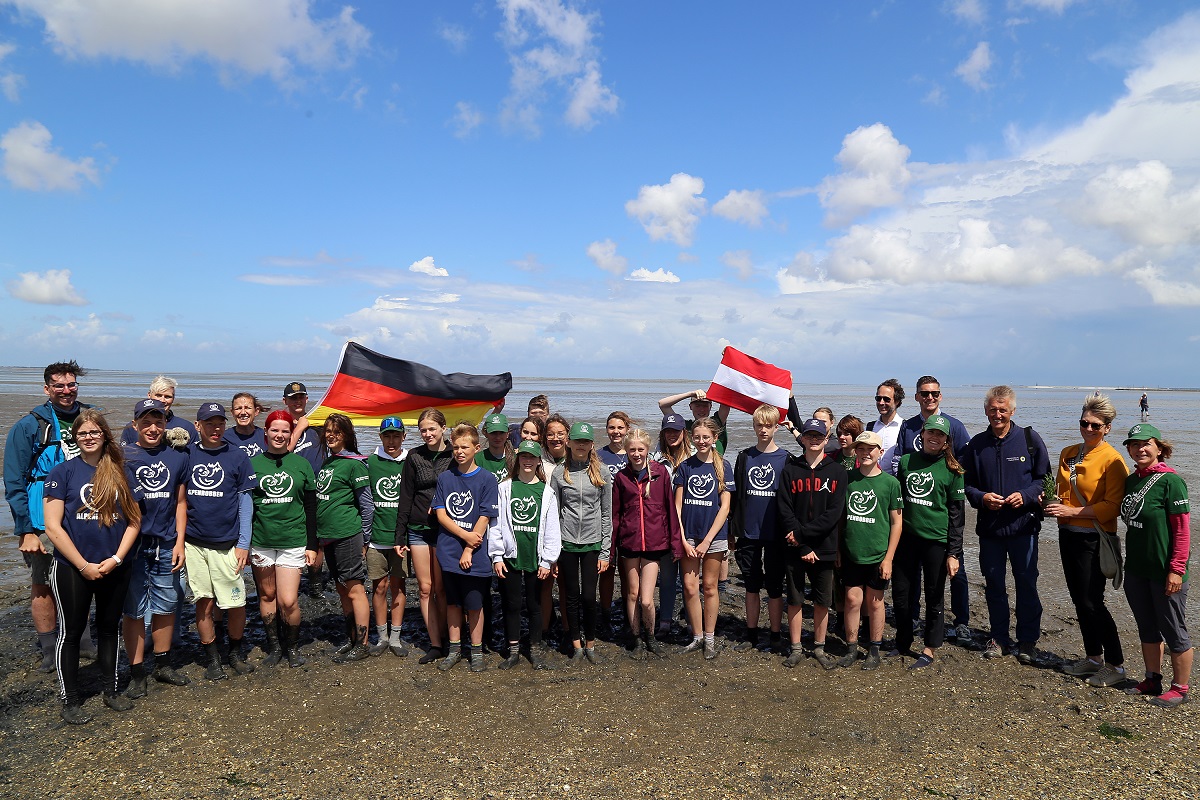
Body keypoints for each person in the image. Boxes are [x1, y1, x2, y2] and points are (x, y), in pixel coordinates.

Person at [43, 410, 141, 724]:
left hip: (115, 565)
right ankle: (70, 699)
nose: (88, 437)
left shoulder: (122, 472)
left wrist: (117, 559)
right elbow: (52, 527)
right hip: (72, 567)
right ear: (75, 437)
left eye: (94, 432)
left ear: (104, 435)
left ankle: (111, 691)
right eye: (83, 433)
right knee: (71, 633)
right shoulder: (62, 472)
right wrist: (83, 564)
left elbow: (134, 521)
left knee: (109, 628)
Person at [4, 360, 97, 671]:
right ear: (47, 389)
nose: (66, 390)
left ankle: (83, 641)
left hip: (84, 514)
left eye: (71, 384)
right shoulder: (29, 426)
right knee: (43, 583)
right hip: (42, 520)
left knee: (83, 577)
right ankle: (48, 647)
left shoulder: (90, 418)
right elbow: (14, 480)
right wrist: (25, 530)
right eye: (59, 385)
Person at [1044, 395, 1129, 687]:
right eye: (1084, 423)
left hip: (1094, 538)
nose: (1089, 429)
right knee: (1079, 600)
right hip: (1068, 534)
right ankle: (1093, 658)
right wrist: (1050, 502)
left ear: (1107, 428)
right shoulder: (1068, 453)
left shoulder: (1113, 460)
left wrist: (1071, 511)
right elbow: (1061, 492)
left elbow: (1113, 506)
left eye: (1096, 425)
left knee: (1093, 602)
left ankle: (1116, 664)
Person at [962, 386, 1050, 664]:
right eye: (993, 409)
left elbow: (1044, 480)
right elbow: (966, 484)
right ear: (985, 411)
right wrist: (982, 498)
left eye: (1003, 410)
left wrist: (1025, 496)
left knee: (1026, 584)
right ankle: (999, 637)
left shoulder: (1029, 439)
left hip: (1024, 528)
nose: (997, 414)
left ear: (1012, 411)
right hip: (991, 530)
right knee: (994, 586)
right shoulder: (976, 445)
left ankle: (1027, 641)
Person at [892, 376, 973, 643]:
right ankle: (911, 622)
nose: (930, 397)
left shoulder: (955, 426)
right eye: (925, 393)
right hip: (910, 528)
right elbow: (898, 471)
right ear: (917, 396)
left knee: (951, 577)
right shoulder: (908, 427)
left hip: (939, 528)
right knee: (908, 583)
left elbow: (965, 465)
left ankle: (961, 622)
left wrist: (954, 549)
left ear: (940, 396)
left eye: (934, 393)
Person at [121, 399, 191, 698]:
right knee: (134, 610)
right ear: (135, 425)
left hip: (166, 543)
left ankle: (163, 664)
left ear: (166, 425)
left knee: (166, 605)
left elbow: (180, 502)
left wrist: (180, 542)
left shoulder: (177, 457)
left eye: (158, 422)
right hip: (133, 545)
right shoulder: (123, 456)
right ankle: (137, 672)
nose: (152, 428)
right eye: (146, 422)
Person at [1119, 424, 1192, 707]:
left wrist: (1176, 569)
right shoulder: (1131, 481)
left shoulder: (1171, 482)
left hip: (1165, 571)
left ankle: (1180, 688)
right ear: (1129, 450)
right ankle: (1152, 679)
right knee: (1146, 626)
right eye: (1134, 444)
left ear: (1159, 448)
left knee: (1174, 629)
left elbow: (1183, 531)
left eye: (1146, 443)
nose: (1140, 449)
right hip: (1137, 568)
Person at [185, 402, 258, 680]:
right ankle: (213, 658)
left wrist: (244, 543)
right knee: (203, 602)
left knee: (235, 603)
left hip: (227, 543)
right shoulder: (187, 454)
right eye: (209, 423)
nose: (215, 428)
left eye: (219, 423)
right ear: (198, 425)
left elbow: (245, 503)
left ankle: (235, 653)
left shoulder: (237, 456)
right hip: (193, 543)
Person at [893, 416, 965, 670]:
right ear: (922, 434)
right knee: (901, 594)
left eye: (940, 434)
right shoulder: (906, 461)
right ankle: (902, 641)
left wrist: (953, 553)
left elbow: (957, 516)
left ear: (946, 440)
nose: (934, 437)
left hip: (936, 541)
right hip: (907, 539)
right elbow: (897, 501)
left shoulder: (954, 470)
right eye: (931, 432)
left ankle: (930, 648)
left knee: (934, 595)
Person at [249, 410, 318, 668]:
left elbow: (311, 507)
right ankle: (275, 647)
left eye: (285, 431)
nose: (279, 435)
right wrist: (242, 544)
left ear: (292, 434)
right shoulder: (253, 464)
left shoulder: (301, 464)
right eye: (275, 430)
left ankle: (292, 647)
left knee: (288, 600)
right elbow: (246, 508)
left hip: (294, 540)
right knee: (267, 595)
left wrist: (312, 545)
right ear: (266, 433)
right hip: (261, 541)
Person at [777, 418, 848, 669]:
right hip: (795, 546)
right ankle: (796, 647)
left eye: (819, 436)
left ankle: (819, 646)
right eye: (810, 435)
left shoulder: (837, 472)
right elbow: (784, 508)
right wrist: (802, 544)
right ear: (803, 439)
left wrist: (804, 537)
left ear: (826, 439)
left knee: (822, 601)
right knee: (795, 599)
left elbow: (834, 513)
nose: (814, 440)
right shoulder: (790, 469)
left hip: (824, 547)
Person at [432, 422, 499, 672]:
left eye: (465, 447)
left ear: (476, 448)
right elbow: (441, 514)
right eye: (456, 448)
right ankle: (454, 649)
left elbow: (485, 516)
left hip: (477, 554)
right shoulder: (445, 478)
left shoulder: (487, 479)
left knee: (474, 604)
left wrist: (470, 548)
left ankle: (477, 650)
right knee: (453, 603)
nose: (460, 452)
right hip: (449, 550)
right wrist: (464, 536)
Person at [487, 440, 561, 669]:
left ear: (539, 461)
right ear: (518, 459)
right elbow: (495, 524)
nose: (528, 461)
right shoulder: (504, 488)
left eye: (532, 457)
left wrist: (548, 560)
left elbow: (552, 529)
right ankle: (513, 651)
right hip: (510, 557)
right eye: (524, 456)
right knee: (512, 604)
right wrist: (497, 556)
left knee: (534, 605)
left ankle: (534, 649)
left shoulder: (547, 492)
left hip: (535, 557)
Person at [612, 428, 682, 659]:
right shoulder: (621, 477)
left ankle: (651, 637)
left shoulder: (660, 474)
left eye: (640, 449)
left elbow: (670, 510)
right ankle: (637, 639)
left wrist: (675, 544)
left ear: (647, 449)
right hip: (629, 543)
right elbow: (615, 516)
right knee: (632, 594)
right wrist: (611, 550)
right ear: (626, 450)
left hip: (654, 544)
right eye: (632, 449)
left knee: (646, 599)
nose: (636, 453)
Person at [836, 431, 903, 670]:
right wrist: (838, 549)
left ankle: (874, 648)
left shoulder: (891, 483)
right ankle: (851, 647)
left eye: (870, 449)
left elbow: (897, 523)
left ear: (880, 452)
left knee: (875, 602)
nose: (865, 453)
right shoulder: (847, 479)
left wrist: (889, 559)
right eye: (861, 449)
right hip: (852, 551)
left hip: (878, 554)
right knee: (852, 600)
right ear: (855, 451)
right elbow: (840, 518)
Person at [394, 408, 453, 664]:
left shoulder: (454, 454)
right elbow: (406, 495)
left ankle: (450, 638)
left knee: (441, 588)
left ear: (443, 428)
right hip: (417, 529)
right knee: (425, 588)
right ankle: (435, 643)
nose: (428, 434)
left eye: (432, 429)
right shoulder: (414, 456)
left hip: (444, 529)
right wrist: (399, 536)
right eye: (423, 430)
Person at [551, 421, 612, 665]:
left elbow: (606, 514)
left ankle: (591, 644)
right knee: (571, 596)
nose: (581, 445)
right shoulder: (559, 473)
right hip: (566, 543)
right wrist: (553, 552)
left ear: (591, 445)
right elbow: (553, 514)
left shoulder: (602, 472)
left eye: (585, 442)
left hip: (592, 543)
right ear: (569, 443)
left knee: (588, 596)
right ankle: (576, 645)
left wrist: (605, 552)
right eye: (577, 441)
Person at [729, 404, 789, 654]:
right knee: (751, 585)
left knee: (775, 587)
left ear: (776, 427)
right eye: (759, 425)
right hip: (748, 532)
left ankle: (775, 635)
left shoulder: (786, 458)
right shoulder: (745, 456)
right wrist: (732, 529)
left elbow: (790, 499)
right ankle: (751, 634)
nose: (763, 430)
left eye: (768, 425)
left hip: (776, 533)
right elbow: (735, 495)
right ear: (753, 426)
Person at [674, 417, 735, 660]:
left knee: (710, 587)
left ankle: (709, 637)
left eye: (706, 437)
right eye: (697, 437)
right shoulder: (685, 467)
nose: (701, 441)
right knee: (690, 587)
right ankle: (697, 636)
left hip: (714, 537)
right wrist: (682, 538)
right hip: (688, 535)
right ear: (691, 438)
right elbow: (677, 506)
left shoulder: (724, 466)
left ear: (714, 439)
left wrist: (708, 540)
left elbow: (725, 508)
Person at [317, 413, 374, 664]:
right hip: (328, 536)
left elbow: (367, 505)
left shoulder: (355, 464)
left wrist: (365, 539)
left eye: (337, 431)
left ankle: (363, 644)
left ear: (347, 435)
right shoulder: (328, 462)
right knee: (341, 588)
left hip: (348, 534)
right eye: (328, 431)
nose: (331, 435)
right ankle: (351, 638)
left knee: (354, 587)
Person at [367, 417, 410, 657]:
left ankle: (396, 637)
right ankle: (382, 636)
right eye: (387, 436)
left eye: (396, 436)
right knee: (379, 587)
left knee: (398, 586)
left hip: (400, 539)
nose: (391, 441)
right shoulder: (370, 462)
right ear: (380, 437)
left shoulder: (410, 461)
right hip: (376, 537)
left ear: (404, 436)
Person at [281, 381, 328, 598]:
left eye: (301, 397)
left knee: (316, 537)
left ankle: (315, 581)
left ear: (307, 399)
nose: (297, 401)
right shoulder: (281, 425)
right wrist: (299, 427)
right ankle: (292, 576)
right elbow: (283, 452)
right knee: (294, 534)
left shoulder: (318, 424)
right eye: (293, 398)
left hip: (317, 489)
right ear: (285, 401)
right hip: (291, 490)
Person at [652, 413, 693, 640]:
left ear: (683, 433)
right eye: (668, 431)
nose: (672, 435)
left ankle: (691, 621)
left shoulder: (695, 456)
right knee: (667, 577)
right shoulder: (655, 459)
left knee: (689, 579)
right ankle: (665, 620)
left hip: (690, 522)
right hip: (665, 525)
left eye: (676, 431)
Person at [596, 411, 632, 638]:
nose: (616, 432)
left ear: (627, 429)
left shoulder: (633, 453)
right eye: (612, 428)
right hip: (605, 520)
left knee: (628, 570)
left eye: (620, 428)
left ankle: (630, 616)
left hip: (629, 520)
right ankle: (606, 614)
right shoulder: (599, 456)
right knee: (606, 569)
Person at [119, 375, 197, 447]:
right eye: (158, 395)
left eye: (167, 397)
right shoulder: (132, 427)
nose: (162, 400)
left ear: (173, 399)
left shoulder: (187, 427)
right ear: (149, 395)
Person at [658, 388, 731, 456]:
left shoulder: (716, 423)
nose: (701, 410)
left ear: (710, 407)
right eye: (697, 406)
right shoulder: (683, 426)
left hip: (716, 464)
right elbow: (663, 405)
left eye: (705, 406)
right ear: (690, 407)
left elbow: (727, 398)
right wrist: (690, 394)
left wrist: (711, 395)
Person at [870, 379, 904, 476]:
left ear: (897, 401)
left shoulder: (905, 427)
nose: (881, 402)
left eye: (886, 399)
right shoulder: (870, 427)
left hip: (896, 480)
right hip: (872, 479)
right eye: (878, 398)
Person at [224, 392, 267, 459]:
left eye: (248, 408)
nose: (243, 412)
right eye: (238, 408)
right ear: (232, 412)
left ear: (256, 411)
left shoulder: (265, 437)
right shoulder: (225, 439)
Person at [477, 413, 513, 482]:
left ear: (508, 433)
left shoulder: (516, 459)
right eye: (493, 433)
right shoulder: (477, 460)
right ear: (485, 433)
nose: (498, 437)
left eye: (501, 432)